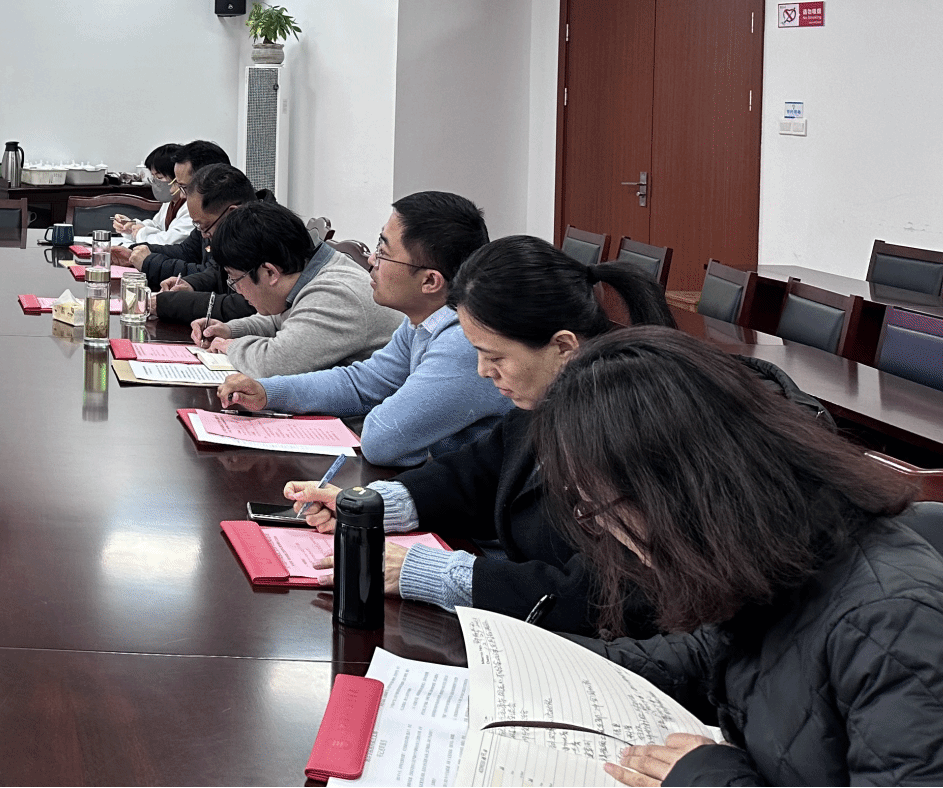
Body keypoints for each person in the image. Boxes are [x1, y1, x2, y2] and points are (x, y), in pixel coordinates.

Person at [538, 328, 943, 787]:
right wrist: (541, 657)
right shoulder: (781, 546)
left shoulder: (892, 625)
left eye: (600, 508)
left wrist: (705, 777)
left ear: (674, 492)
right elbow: (702, 655)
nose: (608, 532)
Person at [281, 235, 681, 631]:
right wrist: (372, 505)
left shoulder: (631, 430)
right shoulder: (550, 398)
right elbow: (475, 473)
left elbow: (606, 592)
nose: (482, 371)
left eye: (495, 356)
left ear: (563, 347)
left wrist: (434, 573)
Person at [216, 191, 502, 467]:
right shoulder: (422, 321)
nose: (371, 260)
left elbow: (383, 441)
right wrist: (268, 393)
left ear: (430, 281)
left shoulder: (464, 342)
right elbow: (361, 383)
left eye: (384, 252)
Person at [188, 200, 402, 377]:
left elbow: (274, 364)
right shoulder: (309, 271)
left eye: (235, 279)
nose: (236, 289)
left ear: (270, 272)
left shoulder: (334, 294)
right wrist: (229, 330)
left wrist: (230, 347)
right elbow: (283, 319)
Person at [146, 163, 262, 323]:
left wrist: (172, 304)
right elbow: (219, 272)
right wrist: (190, 284)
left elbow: (248, 306)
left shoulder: (267, 236)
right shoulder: (237, 229)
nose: (204, 235)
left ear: (232, 213)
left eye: (204, 226)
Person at [110, 140, 228, 271]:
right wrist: (132, 250)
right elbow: (185, 250)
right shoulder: (184, 206)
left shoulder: (223, 223)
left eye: (183, 187)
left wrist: (146, 259)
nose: (175, 191)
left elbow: (210, 274)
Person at [109, 143, 192, 248]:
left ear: (177, 176)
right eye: (153, 177)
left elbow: (170, 240)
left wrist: (140, 233)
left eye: (159, 177)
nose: (156, 183)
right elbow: (157, 226)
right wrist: (132, 226)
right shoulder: (170, 201)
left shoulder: (190, 206)